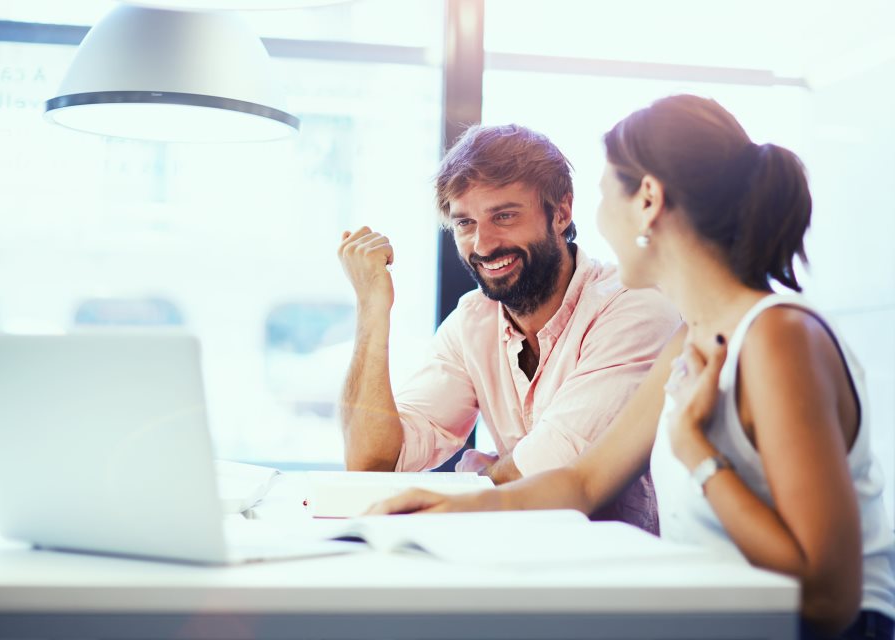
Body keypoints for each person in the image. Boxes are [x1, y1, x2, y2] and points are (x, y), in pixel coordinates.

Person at [369, 95, 895, 639]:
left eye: (602, 196)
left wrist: (702, 458)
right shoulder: (690, 340)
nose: (597, 221)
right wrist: (459, 509)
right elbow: (582, 481)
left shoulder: (777, 338)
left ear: (647, 201)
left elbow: (830, 597)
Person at [337, 124, 680, 533]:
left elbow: (550, 469)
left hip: (627, 574)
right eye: (465, 223)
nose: (483, 245)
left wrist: (476, 483)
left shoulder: (632, 305)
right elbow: (373, 462)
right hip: (523, 560)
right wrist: (373, 309)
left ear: (562, 212)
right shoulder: (473, 321)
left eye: (504, 216)